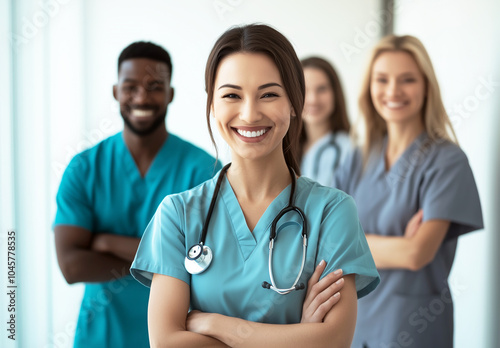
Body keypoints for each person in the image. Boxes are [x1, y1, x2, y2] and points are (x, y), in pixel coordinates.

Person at [131, 24, 380, 347]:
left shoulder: (332, 211)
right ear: (212, 106)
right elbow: (166, 342)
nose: (249, 114)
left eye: (269, 94)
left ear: (294, 103)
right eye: (232, 95)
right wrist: (298, 337)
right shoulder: (178, 214)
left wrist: (216, 324)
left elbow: (333, 341)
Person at [53, 41, 221, 348]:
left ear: (170, 94)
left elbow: (209, 265)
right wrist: (168, 258)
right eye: (130, 86)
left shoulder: (204, 171)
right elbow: (71, 266)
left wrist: (107, 242)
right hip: (101, 337)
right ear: (116, 91)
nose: (141, 96)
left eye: (154, 86)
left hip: (179, 338)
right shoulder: (84, 169)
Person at [334, 35, 483, 348]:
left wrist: (357, 246)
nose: (393, 91)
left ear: (426, 86)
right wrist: (399, 245)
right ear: (369, 88)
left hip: (414, 326)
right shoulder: (357, 158)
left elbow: (417, 254)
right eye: (382, 79)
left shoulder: (447, 161)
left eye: (408, 80)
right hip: (352, 323)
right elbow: (328, 245)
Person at [299, 57, 352, 186]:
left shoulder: (347, 149)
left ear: (335, 93)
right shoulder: (285, 148)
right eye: (304, 90)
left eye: (322, 89)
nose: (313, 99)